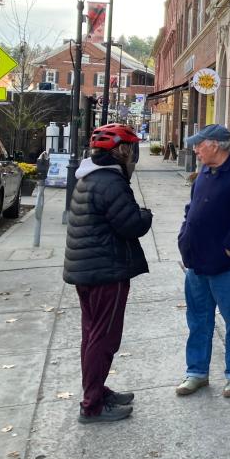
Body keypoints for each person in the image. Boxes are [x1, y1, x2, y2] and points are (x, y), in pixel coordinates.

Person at [63, 123, 152, 424]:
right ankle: (92, 405)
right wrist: (145, 215)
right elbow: (131, 225)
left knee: (92, 334)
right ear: (122, 152)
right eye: (131, 150)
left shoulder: (90, 177)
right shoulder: (110, 182)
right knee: (103, 338)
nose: (133, 157)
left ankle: (97, 392)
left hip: (89, 270)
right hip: (105, 272)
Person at [176, 124, 230, 399]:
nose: (195, 149)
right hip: (196, 262)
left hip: (228, 266)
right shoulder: (204, 169)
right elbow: (193, 206)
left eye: (199, 144)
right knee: (198, 319)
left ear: (215, 145)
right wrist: (184, 235)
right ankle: (196, 373)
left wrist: (228, 249)